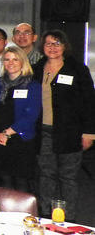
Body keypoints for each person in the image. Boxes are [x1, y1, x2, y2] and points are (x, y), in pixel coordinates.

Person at [32, 30, 95, 216]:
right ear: (42, 47)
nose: (53, 47)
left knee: (68, 178)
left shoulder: (77, 69)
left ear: (65, 46)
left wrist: (89, 133)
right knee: (46, 176)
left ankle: (68, 219)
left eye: (57, 43)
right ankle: (46, 215)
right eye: (48, 44)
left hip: (70, 133)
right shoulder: (37, 68)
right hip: (43, 132)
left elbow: (89, 103)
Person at [0, 47, 41, 193]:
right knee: (3, 179)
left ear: (23, 62)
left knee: (21, 180)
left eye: (15, 59)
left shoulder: (33, 85)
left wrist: (7, 133)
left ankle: (23, 215)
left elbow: (31, 115)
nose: (11, 63)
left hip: (20, 138)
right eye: (7, 59)